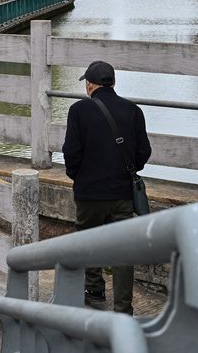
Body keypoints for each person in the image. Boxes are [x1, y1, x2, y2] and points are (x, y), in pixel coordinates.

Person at [61, 60, 152, 315]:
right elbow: (144, 151)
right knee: (123, 250)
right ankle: (123, 308)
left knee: (88, 238)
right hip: (122, 193)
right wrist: (127, 172)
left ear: (90, 85)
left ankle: (95, 289)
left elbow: (71, 152)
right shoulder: (133, 111)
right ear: (113, 83)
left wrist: (77, 176)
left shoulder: (78, 111)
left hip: (89, 193)